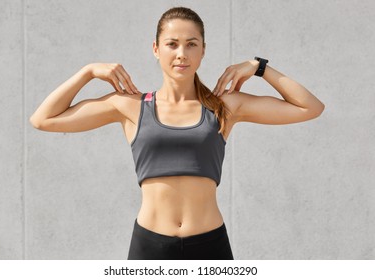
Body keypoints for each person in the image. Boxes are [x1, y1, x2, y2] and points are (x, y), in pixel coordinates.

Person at [29, 6, 324, 260]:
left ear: (203, 50)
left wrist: (258, 67)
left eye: (192, 44)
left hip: (210, 244)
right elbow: (43, 119)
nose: (182, 54)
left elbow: (310, 107)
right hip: (150, 245)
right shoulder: (130, 107)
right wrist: (89, 71)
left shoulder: (224, 107)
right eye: (172, 44)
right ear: (156, 49)